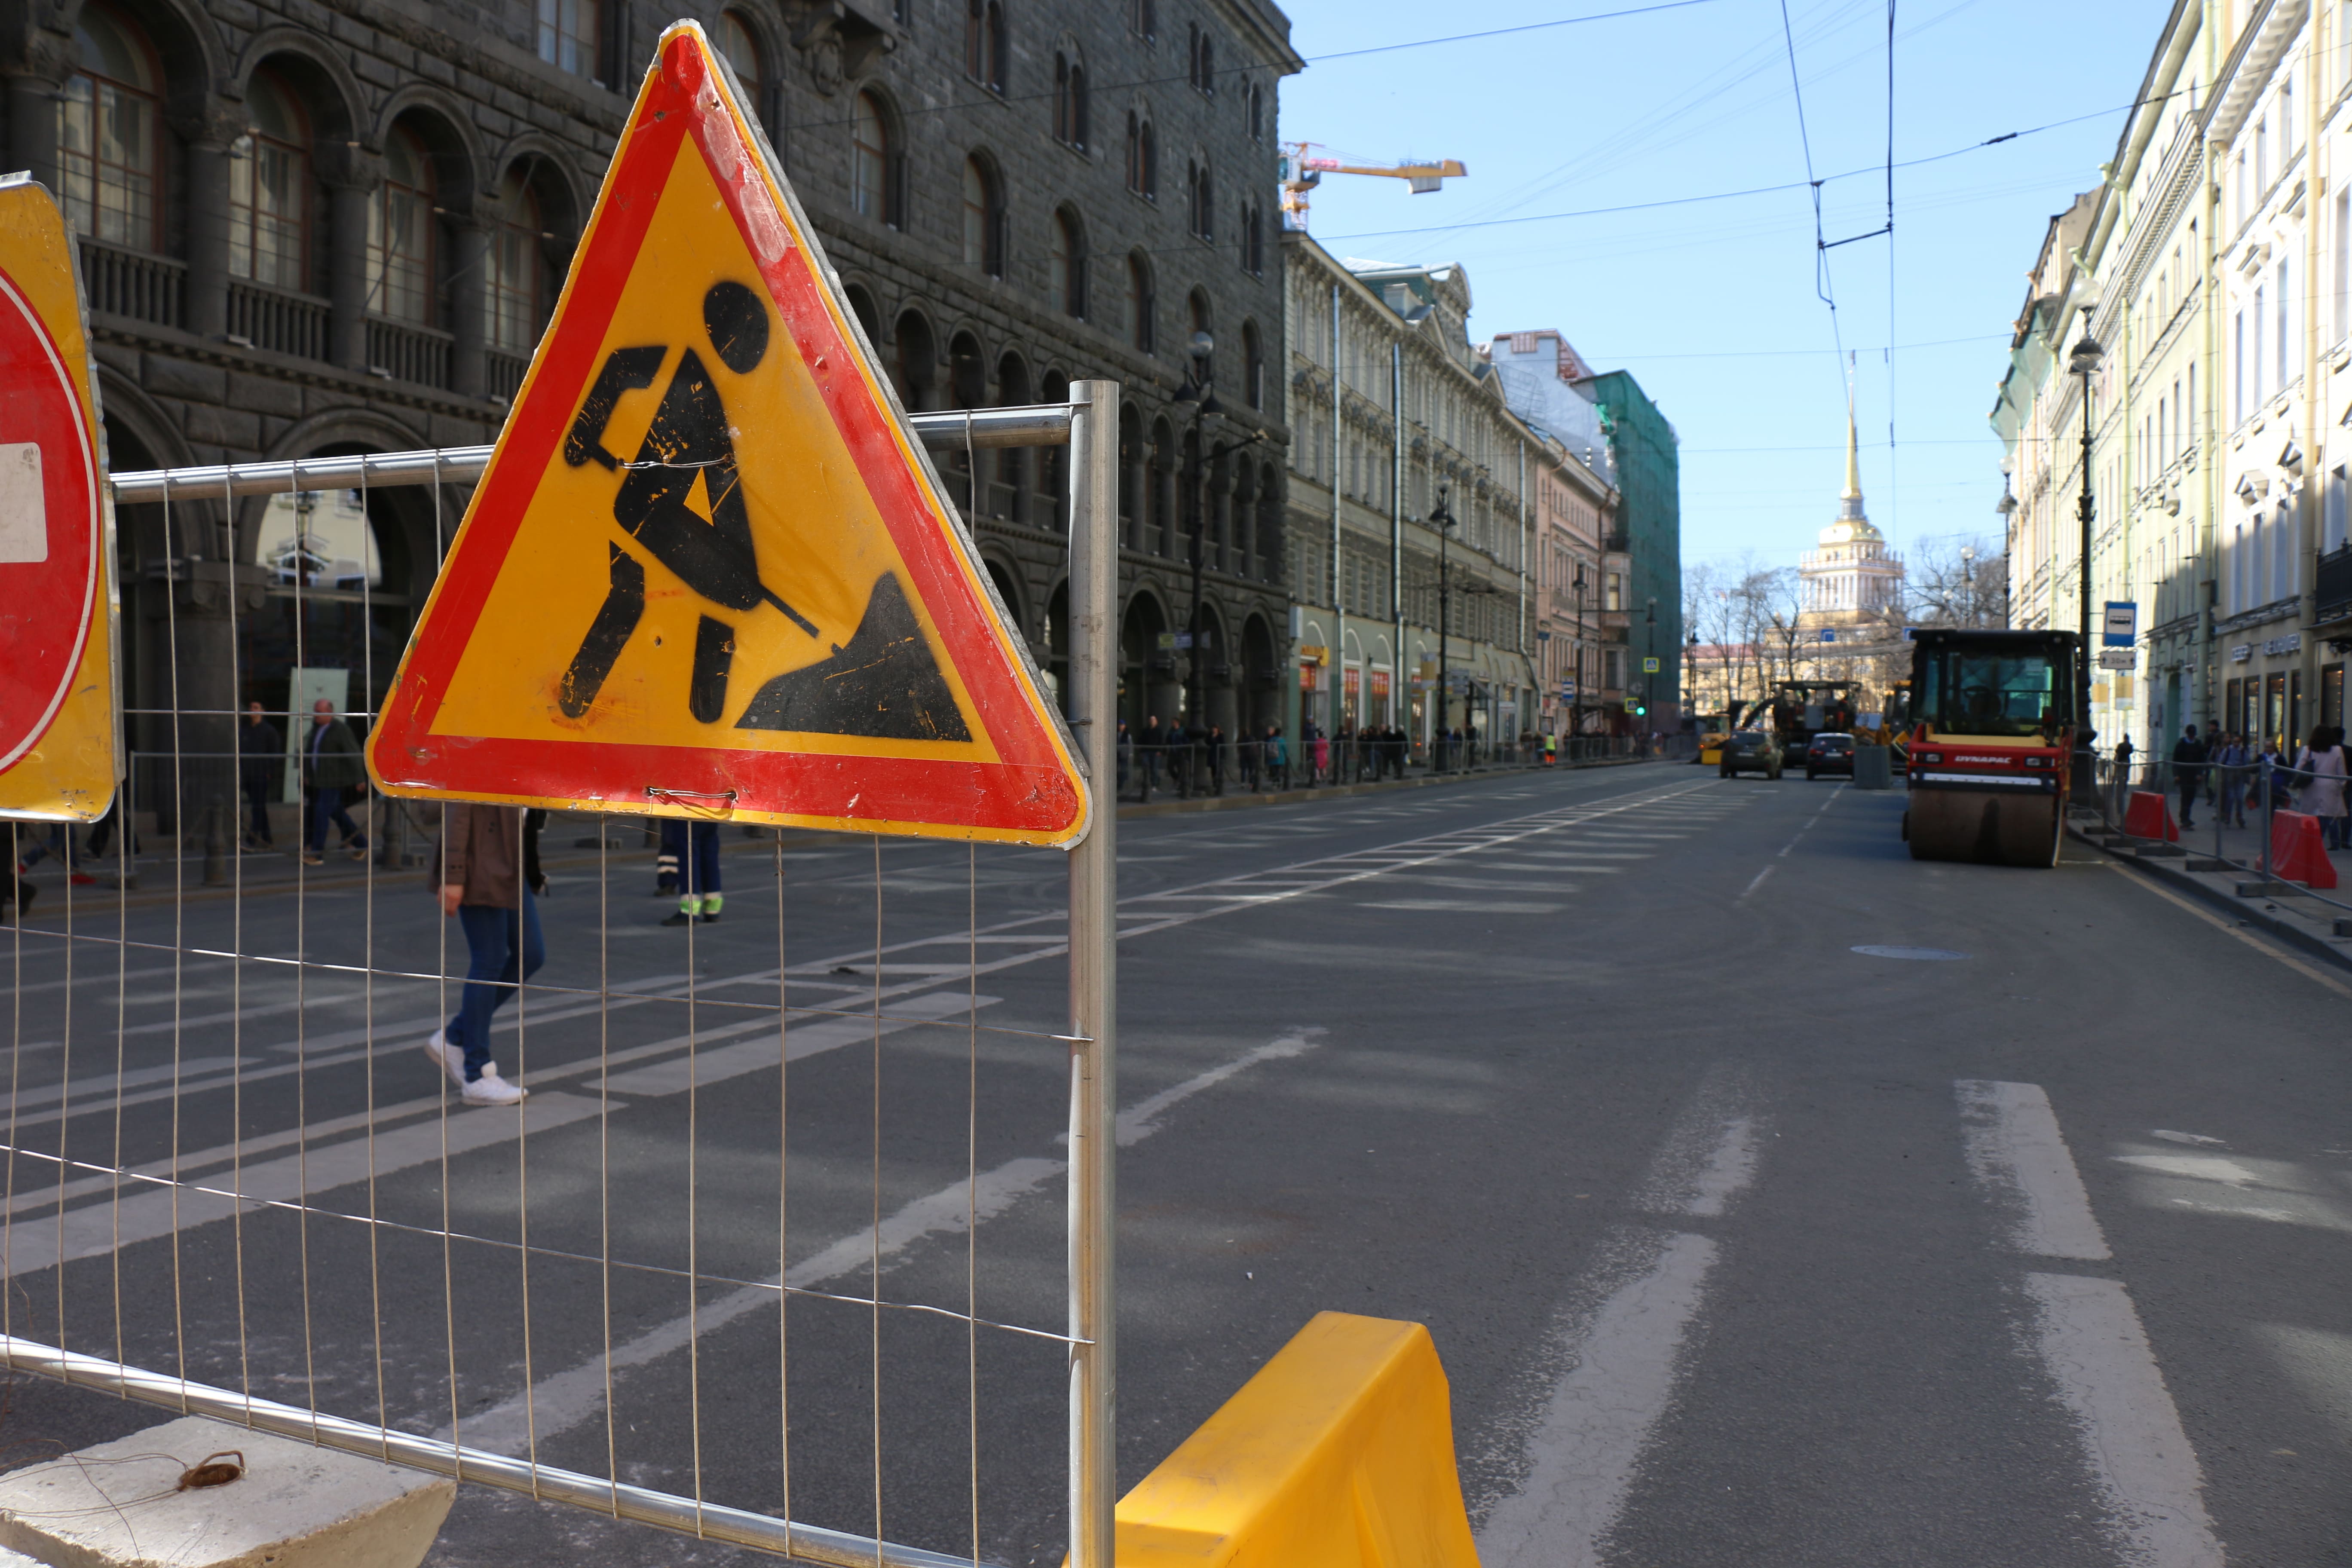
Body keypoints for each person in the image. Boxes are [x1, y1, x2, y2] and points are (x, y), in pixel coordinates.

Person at [422, 803, 541, 1106]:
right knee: (488, 960)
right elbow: (457, 808)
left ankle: (456, 1036)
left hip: (509, 860)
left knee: (531, 954)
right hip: (481, 860)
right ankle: (477, 1075)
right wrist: (454, 874)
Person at [301, 698, 368, 866]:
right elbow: (311, 753)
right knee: (338, 814)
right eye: (315, 711)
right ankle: (361, 843)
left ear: (330, 713)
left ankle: (317, 853)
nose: (316, 715)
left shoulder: (340, 730)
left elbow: (353, 754)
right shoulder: (317, 730)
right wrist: (308, 774)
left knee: (321, 814)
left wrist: (359, 778)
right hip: (319, 781)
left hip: (333, 781)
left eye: (320, 712)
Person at [663, 817, 723, 926]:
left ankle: (689, 911)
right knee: (709, 852)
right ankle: (713, 909)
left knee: (688, 856)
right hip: (712, 807)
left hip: (686, 806)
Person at [239, 701, 282, 849]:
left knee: (257, 807)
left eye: (256, 708)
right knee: (259, 807)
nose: (252, 710)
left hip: (261, 774)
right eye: (250, 707)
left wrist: (269, 772)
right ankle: (267, 839)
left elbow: (274, 753)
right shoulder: (245, 730)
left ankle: (251, 841)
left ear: (263, 711)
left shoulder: (269, 731)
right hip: (248, 774)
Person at [2171, 723, 2208, 830]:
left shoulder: (2198, 745)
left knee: (2191, 797)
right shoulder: (2181, 744)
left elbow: (2202, 760)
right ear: (2187, 734)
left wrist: (2201, 774)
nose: (2192, 736)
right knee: (2185, 796)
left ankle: (2186, 817)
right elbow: (2176, 760)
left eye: (2193, 734)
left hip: (2194, 775)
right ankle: (2184, 818)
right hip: (2183, 774)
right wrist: (2176, 775)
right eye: (2191, 734)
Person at [2214, 732, 2250, 830]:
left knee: (2239, 798)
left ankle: (2239, 816)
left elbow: (2247, 763)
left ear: (2240, 742)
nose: (2236, 744)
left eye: (2238, 742)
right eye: (2234, 742)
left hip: (2239, 775)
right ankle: (2228, 816)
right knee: (2230, 797)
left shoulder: (2243, 751)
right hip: (2229, 774)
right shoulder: (2228, 750)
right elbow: (2220, 761)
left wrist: (2247, 774)